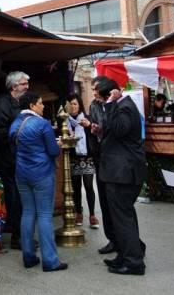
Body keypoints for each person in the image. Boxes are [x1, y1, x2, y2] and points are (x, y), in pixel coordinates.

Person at [8, 91, 66, 272]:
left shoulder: (14, 125)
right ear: (32, 105)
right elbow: (53, 151)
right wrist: (59, 145)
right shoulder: (42, 124)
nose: (43, 106)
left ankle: (28, 256)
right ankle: (50, 261)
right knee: (44, 215)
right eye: (40, 103)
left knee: (27, 213)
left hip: (22, 174)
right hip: (42, 173)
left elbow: (13, 150)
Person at [95, 78, 147, 276]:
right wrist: (100, 129)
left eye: (95, 90)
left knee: (123, 218)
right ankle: (127, 254)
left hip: (122, 173)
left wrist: (109, 105)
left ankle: (134, 262)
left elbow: (120, 129)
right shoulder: (121, 106)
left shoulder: (123, 106)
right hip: (120, 171)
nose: (93, 93)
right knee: (123, 217)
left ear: (109, 92)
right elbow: (116, 132)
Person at [0, 71, 29, 249]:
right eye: (23, 84)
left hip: (21, 157)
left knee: (21, 196)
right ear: (14, 86)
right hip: (8, 158)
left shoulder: (22, 102)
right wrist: (19, 136)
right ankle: (17, 236)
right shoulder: (3, 104)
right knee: (14, 196)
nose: (27, 86)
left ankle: (21, 233)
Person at [89, 77, 115, 255]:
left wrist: (101, 129)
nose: (94, 93)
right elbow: (100, 126)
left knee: (116, 202)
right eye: (92, 90)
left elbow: (115, 127)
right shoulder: (93, 105)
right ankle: (112, 238)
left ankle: (124, 241)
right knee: (104, 200)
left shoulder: (117, 105)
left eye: (96, 90)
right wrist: (94, 128)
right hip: (100, 154)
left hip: (114, 157)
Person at [67, 94, 99, 229]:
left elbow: (95, 135)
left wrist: (89, 126)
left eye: (75, 104)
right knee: (75, 188)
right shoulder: (65, 121)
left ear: (79, 105)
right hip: (74, 158)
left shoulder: (87, 119)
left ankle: (92, 215)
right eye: (70, 104)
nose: (73, 107)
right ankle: (79, 213)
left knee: (88, 186)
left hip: (87, 157)